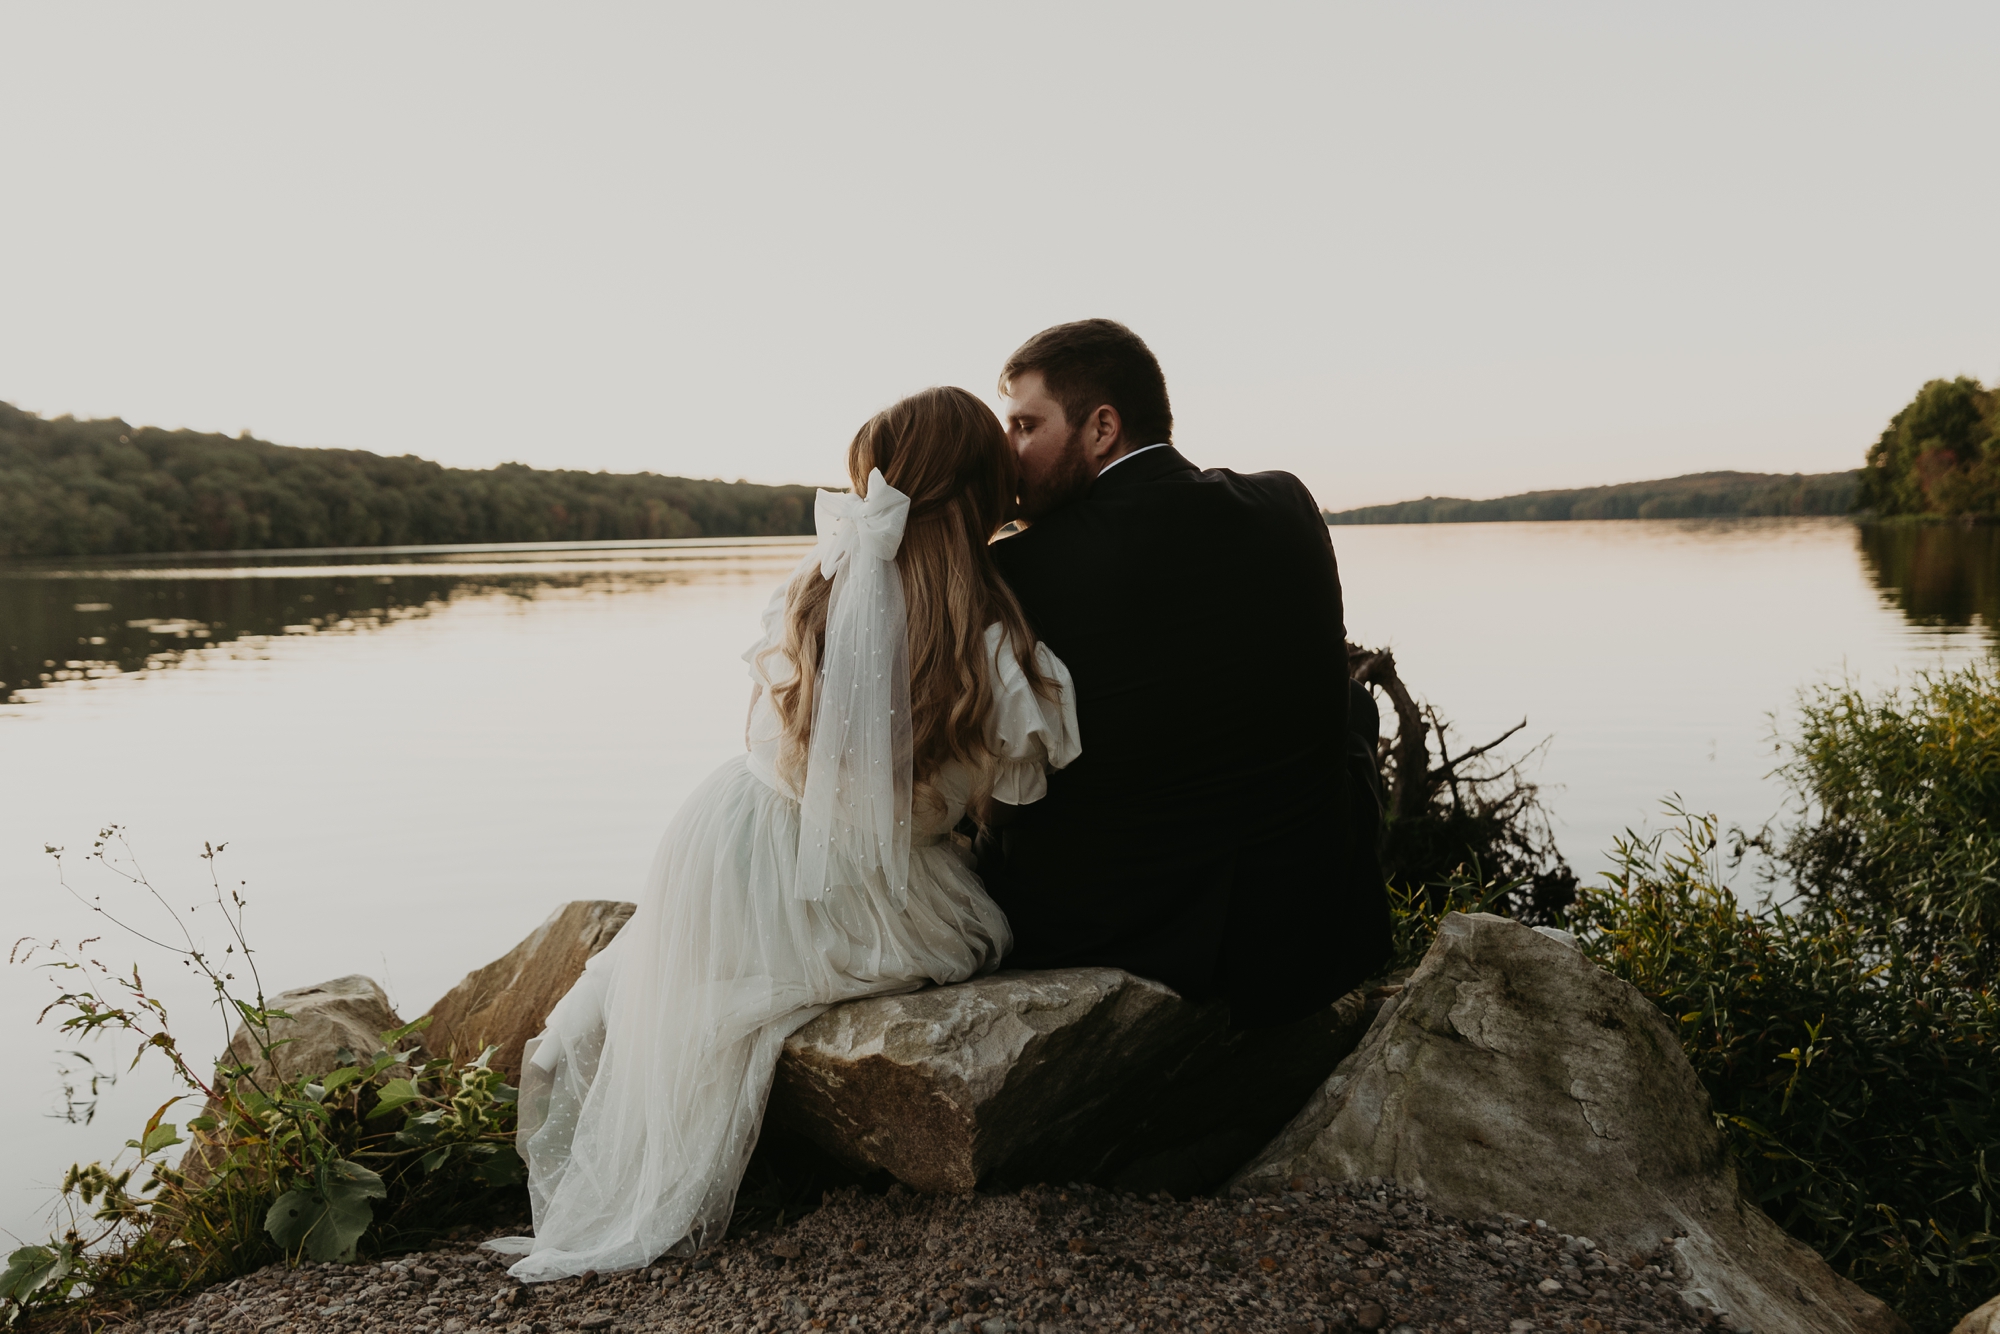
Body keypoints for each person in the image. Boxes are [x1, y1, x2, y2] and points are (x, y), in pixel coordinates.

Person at [489, 387, 1079, 1280]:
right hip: (840, 868)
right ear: (987, 496)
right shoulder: (994, 641)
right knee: (969, 937)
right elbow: (1020, 799)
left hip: (725, 833)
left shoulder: (818, 587)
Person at [976, 319, 1389, 1029]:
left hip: (1112, 929)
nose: (1008, 456)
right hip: (1302, 929)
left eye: (1023, 426)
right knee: (1349, 709)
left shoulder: (1022, 567)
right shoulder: (1286, 505)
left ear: (1102, 427)